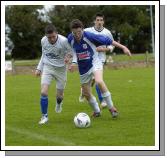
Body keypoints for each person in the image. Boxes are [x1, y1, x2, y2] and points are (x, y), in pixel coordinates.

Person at [68, 19, 131, 118]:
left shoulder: (89, 36)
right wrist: (72, 62)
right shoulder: (70, 38)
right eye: (75, 33)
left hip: (94, 62)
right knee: (86, 93)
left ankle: (111, 108)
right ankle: (97, 111)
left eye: (79, 32)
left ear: (82, 30)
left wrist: (123, 47)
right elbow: (73, 51)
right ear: (72, 31)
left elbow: (109, 41)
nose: (77, 35)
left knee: (99, 81)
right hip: (83, 68)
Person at [35, 24, 72, 124]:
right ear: (46, 36)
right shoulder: (43, 41)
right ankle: (44, 116)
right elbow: (44, 54)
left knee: (59, 96)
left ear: (57, 33)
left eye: (53, 37)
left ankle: (59, 103)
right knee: (43, 92)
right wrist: (39, 68)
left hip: (61, 70)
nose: (51, 39)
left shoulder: (64, 41)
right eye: (49, 37)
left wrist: (68, 57)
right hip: (48, 68)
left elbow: (71, 51)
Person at [79, 13, 115, 108]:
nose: (99, 22)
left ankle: (102, 101)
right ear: (94, 21)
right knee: (92, 80)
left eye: (101, 20)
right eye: (97, 20)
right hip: (88, 59)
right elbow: (80, 40)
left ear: (103, 21)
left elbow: (111, 46)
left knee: (97, 79)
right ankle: (84, 90)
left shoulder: (107, 32)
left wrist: (103, 49)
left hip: (101, 59)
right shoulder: (87, 31)